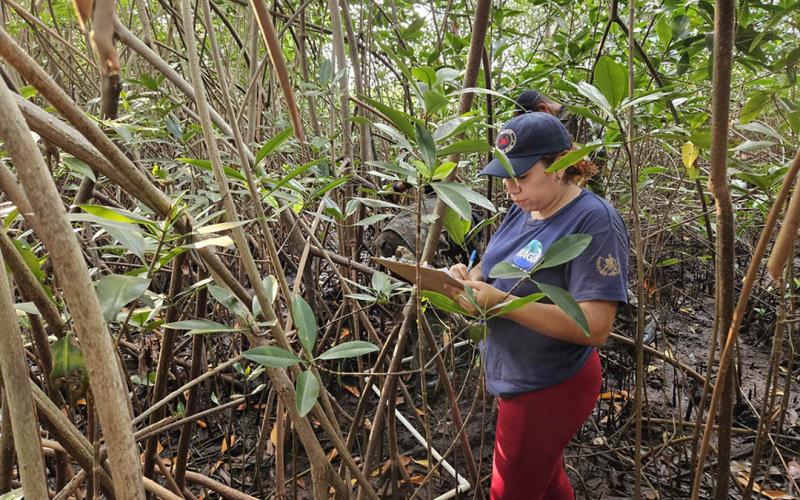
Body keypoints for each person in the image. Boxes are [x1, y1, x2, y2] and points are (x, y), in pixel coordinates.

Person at [446, 112, 629, 499]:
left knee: (511, 490)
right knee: (543, 479)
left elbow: (595, 327)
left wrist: (501, 304)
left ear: (560, 166)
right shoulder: (525, 204)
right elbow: (494, 262)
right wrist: (472, 278)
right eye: (506, 178)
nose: (512, 188)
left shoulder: (594, 222)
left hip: (549, 385)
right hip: (514, 375)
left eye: (523, 175)